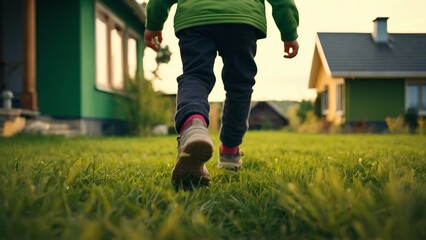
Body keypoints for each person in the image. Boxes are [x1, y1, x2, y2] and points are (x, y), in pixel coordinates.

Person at [144, 0, 299, 188]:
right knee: (239, 86)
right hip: (242, 18)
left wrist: (153, 24)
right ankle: (229, 152)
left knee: (196, 76)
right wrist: (289, 32)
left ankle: (193, 126)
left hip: (195, 16)